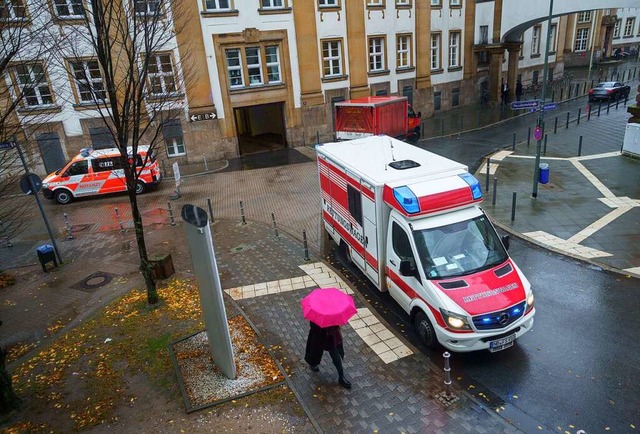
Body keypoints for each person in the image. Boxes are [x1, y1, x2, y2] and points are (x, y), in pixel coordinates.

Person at [304, 321, 351, 389]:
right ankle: (312, 363)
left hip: (331, 337)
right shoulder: (317, 313)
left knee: (336, 357)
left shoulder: (333, 311)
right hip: (319, 334)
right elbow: (313, 325)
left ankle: (341, 376)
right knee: (315, 351)